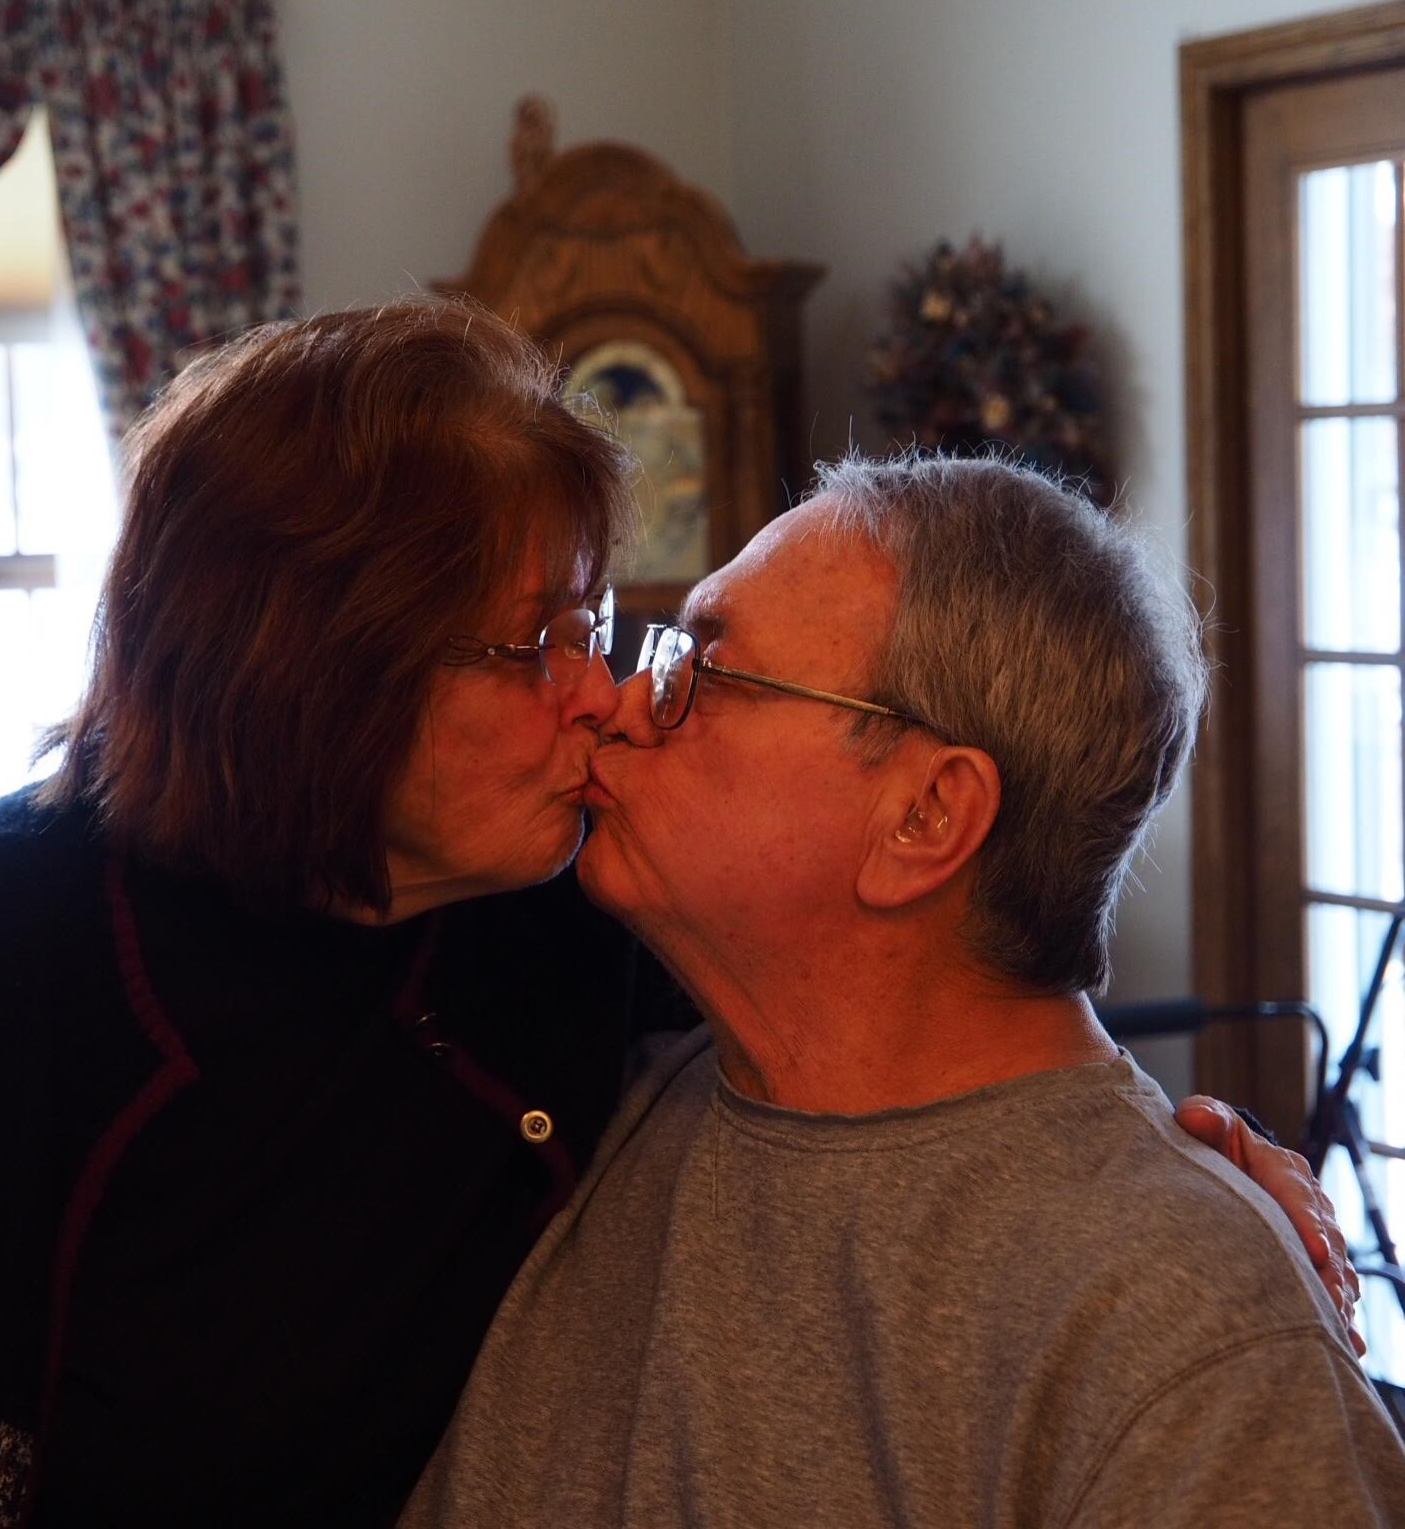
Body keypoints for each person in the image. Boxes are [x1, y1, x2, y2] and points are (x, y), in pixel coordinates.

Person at [0, 309, 1347, 1529]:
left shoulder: (557, 931)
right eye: (546, 643)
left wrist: (1186, 1200)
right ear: (320, 680)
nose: (608, 697)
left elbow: (939, 1053)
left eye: (633, 641)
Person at [402, 455, 1405, 1527]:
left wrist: (1207, 1248)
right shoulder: (577, 1049)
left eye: (703, 667)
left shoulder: (1184, 1333)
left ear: (926, 815)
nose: (619, 702)